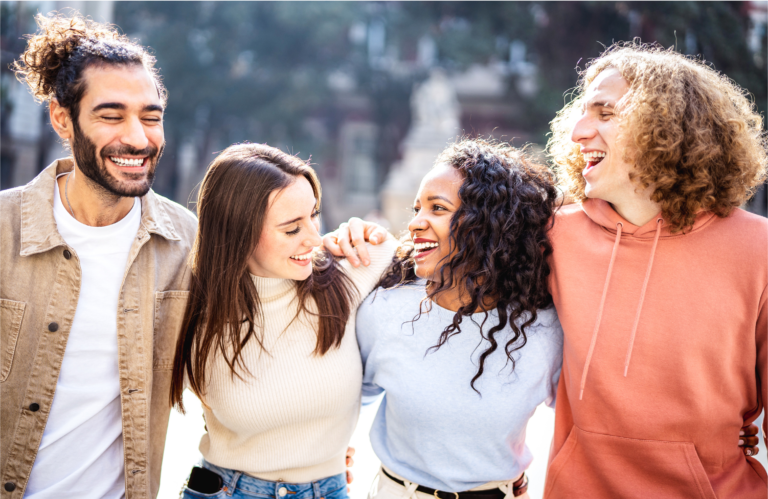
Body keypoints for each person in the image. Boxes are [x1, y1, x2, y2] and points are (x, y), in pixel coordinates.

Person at [543, 42, 768, 497]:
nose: (578, 132)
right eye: (583, 114)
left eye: (605, 114)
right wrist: (368, 245)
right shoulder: (552, 235)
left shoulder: (758, 249)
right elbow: (445, 263)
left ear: (664, 126)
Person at [0, 13, 197, 499]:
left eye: (151, 117)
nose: (137, 137)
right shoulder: (3, 229)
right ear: (62, 118)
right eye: (112, 116)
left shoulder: (186, 244)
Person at [169, 143, 396, 499]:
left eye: (314, 215)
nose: (314, 237)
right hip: (227, 490)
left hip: (329, 490)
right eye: (292, 229)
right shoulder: (193, 307)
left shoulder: (347, 276)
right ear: (237, 234)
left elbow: (427, 259)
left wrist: (366, 232)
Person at [355, 139, 561, 499]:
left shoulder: (543, 331)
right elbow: (345, 400)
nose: (416, 222)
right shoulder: (385, 309)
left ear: (490, 224)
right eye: (417, 208)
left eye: (438, 208)